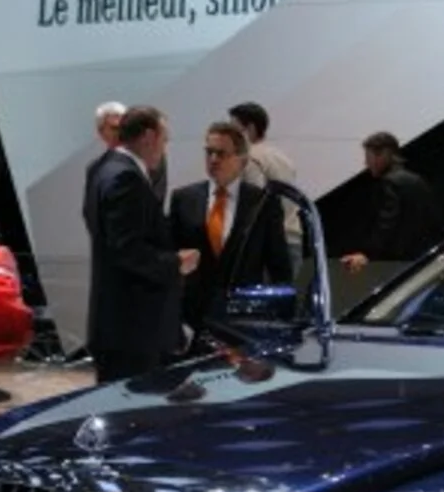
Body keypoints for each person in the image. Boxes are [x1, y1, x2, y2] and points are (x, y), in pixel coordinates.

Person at [82, 106, 199, 383]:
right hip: (133, 326)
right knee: (138, 403)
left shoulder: (102, 169)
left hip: (116, 322)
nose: (164, 148)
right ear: (149, 136)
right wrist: (176, 263)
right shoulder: (126, 177)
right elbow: (127, 249)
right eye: (164, 139)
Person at [168, 121, 292, 342]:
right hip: (192, 319)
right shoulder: (183, 198)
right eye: (209, 152)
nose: (213, 159)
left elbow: (279, 264)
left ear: (242, 160)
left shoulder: (262, 203)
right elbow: (169, 255)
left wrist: (280, 319)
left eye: (222, 154)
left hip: (243, 318)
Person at [340, 131, 444, 275]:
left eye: (368, 157)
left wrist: (367, 255)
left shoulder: (389, 183)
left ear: (383, 155)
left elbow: (386, 225)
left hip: (393, 267)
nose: (366, 163)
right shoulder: (418, 181)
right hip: (422, 262)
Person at [228, 101, 301, 265]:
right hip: (293, 240)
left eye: (233, 129)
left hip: (266, 245)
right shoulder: (284, 159)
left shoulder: (250, 158)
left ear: (250, 129)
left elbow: (253, 203)